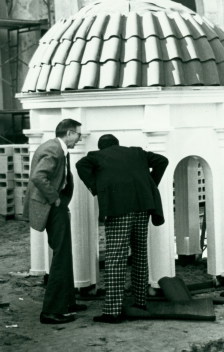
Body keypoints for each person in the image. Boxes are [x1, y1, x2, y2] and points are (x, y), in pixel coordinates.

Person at [76, 134, 168, 324]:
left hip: (119, 209)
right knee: (140, 254)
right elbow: (162, 161)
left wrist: (98, 188)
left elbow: (80, 166)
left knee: (116, 258)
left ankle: (112, 311)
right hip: (143, 207)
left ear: (102, 147)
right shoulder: (136, 152)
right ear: (118, 144)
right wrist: (150, 184)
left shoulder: (97, 156)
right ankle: (140, 303)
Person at [23, 119, 87, 324]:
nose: (79, 138)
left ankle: (66, 303)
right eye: (78, 134)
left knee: (64, 253)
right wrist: (55, 199)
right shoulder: (54, 150)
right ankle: (51, 311)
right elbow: (39, 177)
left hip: (55, 206)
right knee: (61, 255)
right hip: (52, 206)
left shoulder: (55, 147)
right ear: (69, 133)